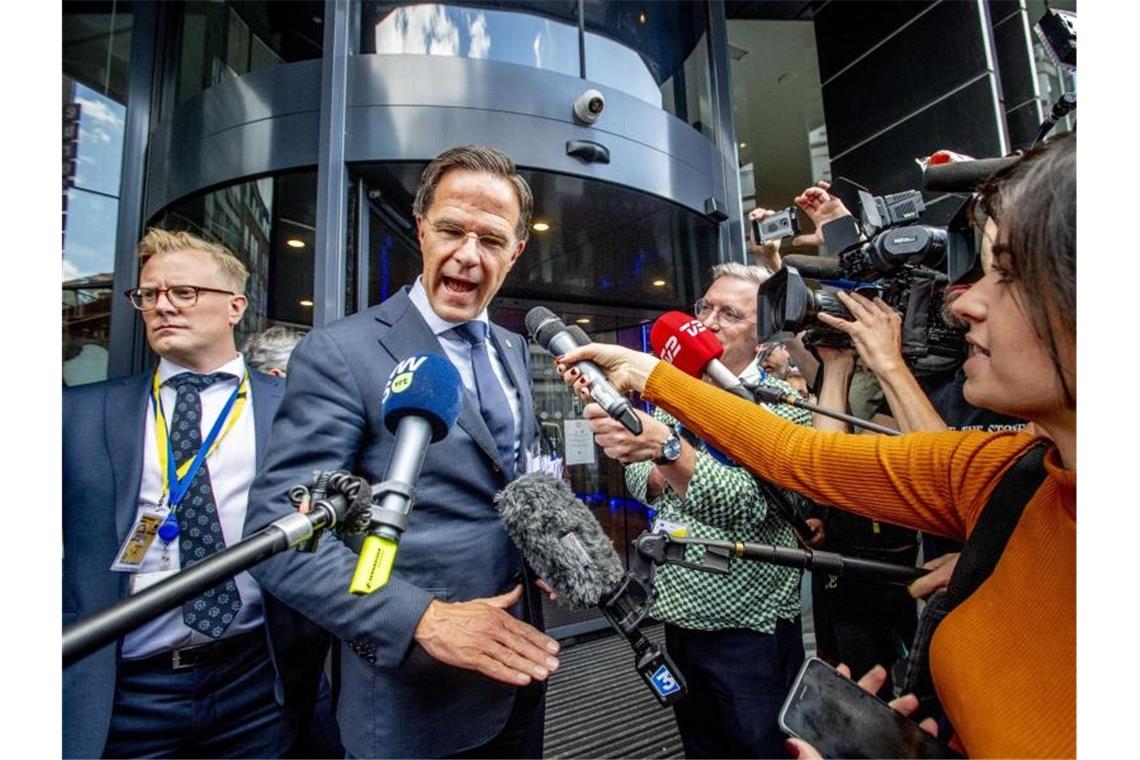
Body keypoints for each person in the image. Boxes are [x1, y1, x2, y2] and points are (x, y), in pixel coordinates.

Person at [558, 133, 1076, 758]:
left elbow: (780, 477)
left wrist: (664, 425)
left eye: (1006, 274)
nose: (964, 303)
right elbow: (801, 460)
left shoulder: (791, 393)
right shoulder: (1010, 478)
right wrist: (655, 383)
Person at [244, 145, 560, 759]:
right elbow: (279, 537)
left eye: (492, 240)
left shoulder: (513, 348)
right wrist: (423, 618)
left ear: (516, 252)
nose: (469, 254)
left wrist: (546, 546)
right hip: (411, 700)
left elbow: (507, 475)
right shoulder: (341, 354)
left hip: (519, 676)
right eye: (451, 230)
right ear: (421, 228)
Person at [62, 228, 326, 758]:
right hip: (124, 691)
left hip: (256, 683)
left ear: (235, 307)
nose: (163, 307)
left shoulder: (295, 407)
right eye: (150, 294)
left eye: (183, 292)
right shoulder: (78, 414)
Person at [583, 262, 812, 758]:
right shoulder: (674, 391)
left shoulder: (781, 405)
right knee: (702, 746)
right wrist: (666, 461)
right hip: (680, 613)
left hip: (747, 625)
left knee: (762, 747)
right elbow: (638, 477)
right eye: (704, 307)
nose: (707, 321)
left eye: (729, 313)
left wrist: (669, 450)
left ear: (764, 338)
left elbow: (747, 508)